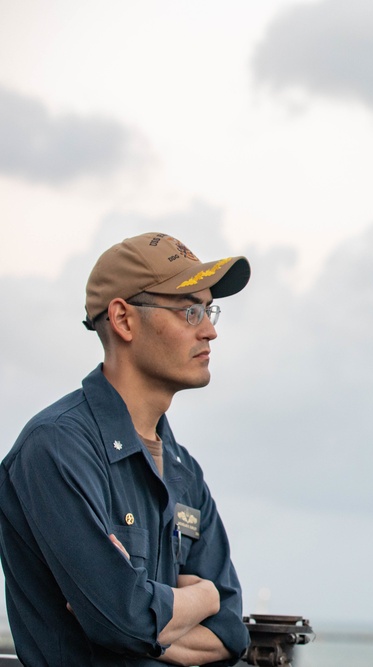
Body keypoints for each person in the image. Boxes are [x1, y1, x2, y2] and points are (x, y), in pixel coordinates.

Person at [0, 233, 252, 665]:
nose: (209, 329)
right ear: (123, 319)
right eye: (190, 310)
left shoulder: (184, 471)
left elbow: (231, 632)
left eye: (210, 311)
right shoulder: (56, 449)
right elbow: (119, 618)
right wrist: (197, 599)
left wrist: (148, 618)